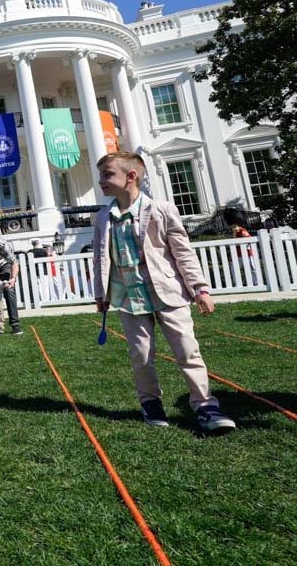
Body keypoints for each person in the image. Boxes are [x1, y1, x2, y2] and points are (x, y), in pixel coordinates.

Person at [93, 152, 235, 431]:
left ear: (131, 176)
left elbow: (183, 253)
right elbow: (100, 257)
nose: (102, 181)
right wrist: (102, 293)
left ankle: (205, 405)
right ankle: (151, 404)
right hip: (128, 297)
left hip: (167, 292)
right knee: (141, 354)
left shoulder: (161, 209)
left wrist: (199, 289)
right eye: (101, 176)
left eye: (108, 174)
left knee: (187, 350)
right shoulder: (102, 217)